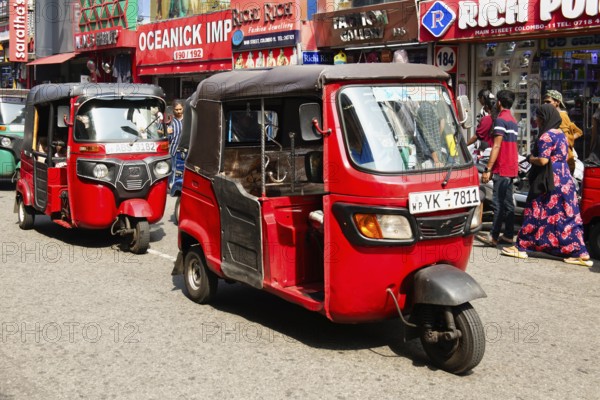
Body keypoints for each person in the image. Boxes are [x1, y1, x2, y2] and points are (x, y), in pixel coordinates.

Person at [501, 104, 592, 267]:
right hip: (564, 179)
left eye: (538, 117)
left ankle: (522, 246)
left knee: (535, 210)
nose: (536, 120)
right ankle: (579, 251)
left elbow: (543, 160)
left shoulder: (546, 137)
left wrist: (529, 158)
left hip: (548, 180)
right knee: (565, 215)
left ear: (544, 118)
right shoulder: (561, 135)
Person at [476, 89, 519, 247]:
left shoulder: (501, 120)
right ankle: (508, 235)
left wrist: (488, 169)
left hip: (502, 167)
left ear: (499, 102)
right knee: (508, 204)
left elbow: (496, 146)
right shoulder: (513, 120)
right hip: (512, 166)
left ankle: (493, 235)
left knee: (498, 203)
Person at [543, 90, 582, 174]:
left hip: (564, 161)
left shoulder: (561, 116)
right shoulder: (555, 115)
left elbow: (577, 133)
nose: (545, 104)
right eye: (544, 102)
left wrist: (566, 139)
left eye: (548, 101)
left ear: (557, 102)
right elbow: (578, 131)